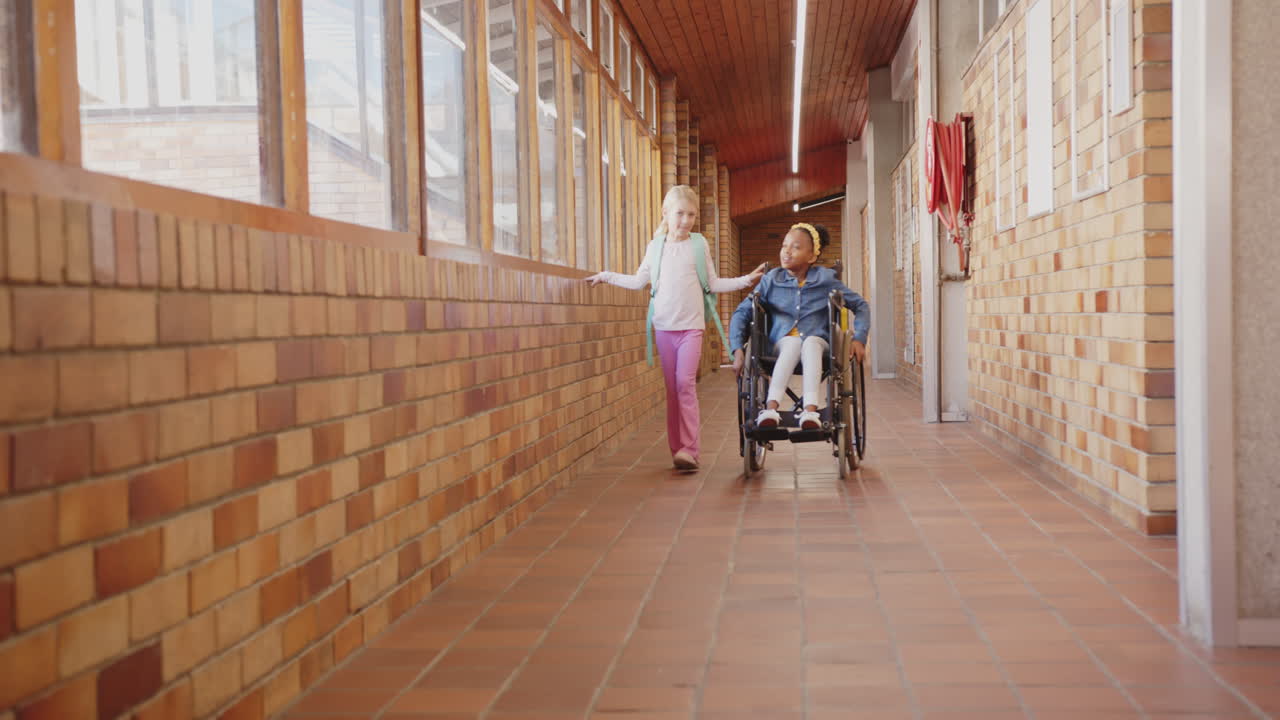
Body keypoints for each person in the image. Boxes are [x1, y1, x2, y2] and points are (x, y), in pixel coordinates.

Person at [587, 185, 766, 470]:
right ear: (666, 213)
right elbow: (638, 281)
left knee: (685, 384)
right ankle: (678, 452)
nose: (686, 220)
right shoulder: (655, 247)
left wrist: (747, 280)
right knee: (672, 390)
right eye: (680, 213)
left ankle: (690, 449)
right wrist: (606, 276)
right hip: (663, 329)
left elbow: (713, 283)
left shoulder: (698, 244)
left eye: (691, 215)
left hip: (691, 328)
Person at [729, 222, 869, 430]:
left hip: (820, 343)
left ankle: (810, 412)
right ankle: (770, 409)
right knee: (793, 342)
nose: (787, 251)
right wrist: (737, 347)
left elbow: (860, 305)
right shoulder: (771, 280)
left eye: (795, 247)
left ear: (812, 256)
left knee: (811, 342)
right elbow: (742, 312)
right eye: (784, 245)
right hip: (781, 344)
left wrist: (859, 338)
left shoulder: (826, 279)